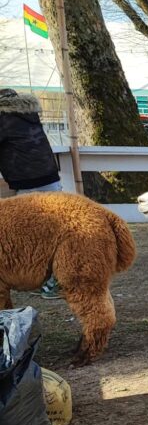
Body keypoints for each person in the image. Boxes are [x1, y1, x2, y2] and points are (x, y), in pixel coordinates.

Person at [0, 89, 63, 298]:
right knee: (53, 231)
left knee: (29, 235)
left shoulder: (4, 119)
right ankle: (52, 279)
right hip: (50, 178)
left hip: (28, 183)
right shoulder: (29, 115)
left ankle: (44, 281)